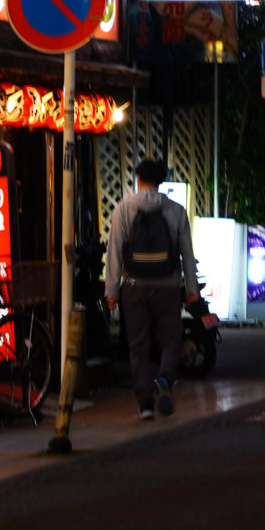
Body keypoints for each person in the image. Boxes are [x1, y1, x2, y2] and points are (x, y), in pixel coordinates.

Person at [105, 158, 198, 420]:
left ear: (138, 179)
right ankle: (165, 379)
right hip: (168, 286)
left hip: (134, 287)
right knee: (170, 339)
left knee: (138, 346)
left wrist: (111, 290)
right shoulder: (176, 211)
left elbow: (115, 252)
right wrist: (191, 288)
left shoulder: (124, 208)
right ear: (161, 181)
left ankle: (145, 405)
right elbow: (186, 254)